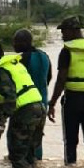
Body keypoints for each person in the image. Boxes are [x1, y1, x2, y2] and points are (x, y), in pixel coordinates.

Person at [47, 16, 84, 168]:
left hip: (73, 99)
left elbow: (61, 80)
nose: (62, 35)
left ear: (74, 31)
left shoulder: (67, 51)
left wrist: (52, 102)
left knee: (71, 140)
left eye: (64, 31)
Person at [0, 41, 45, 168]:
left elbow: (10, 99)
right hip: (39, 109)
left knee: (17, 156)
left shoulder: (1, 70)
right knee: (29, 152)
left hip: (25, 113)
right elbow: (14, 91)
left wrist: (1, 121)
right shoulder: (15, 65)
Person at [12, 29, 52, 160]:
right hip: (43, 104)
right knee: (37, 139)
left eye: (16, 42)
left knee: (22, 143)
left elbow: (15, 83)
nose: (13, 45)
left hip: (27, 105)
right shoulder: (45, 56)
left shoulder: (22, 59)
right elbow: (49, 78)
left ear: (24, 43)